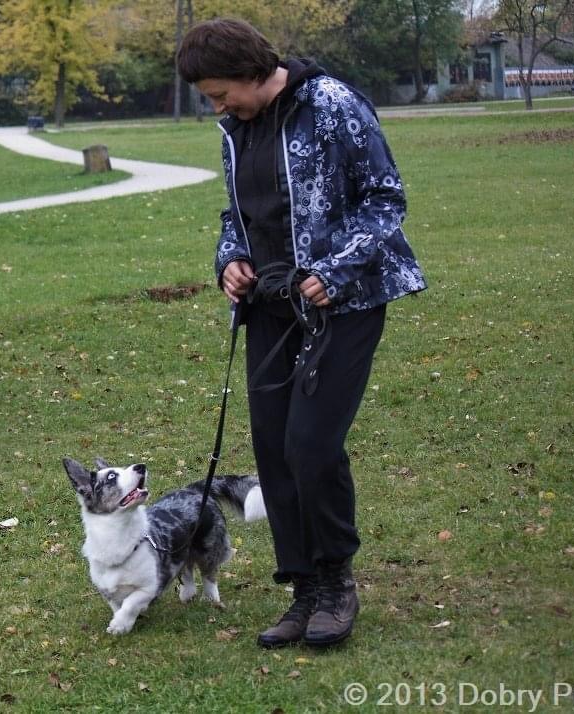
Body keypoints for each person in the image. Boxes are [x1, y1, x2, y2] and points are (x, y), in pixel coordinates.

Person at [176, 18, 426, 648]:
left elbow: (385, 199)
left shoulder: (333, 105)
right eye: (210, 98)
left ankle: (337, 582)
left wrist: (334, 272)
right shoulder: (236, 129)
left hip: (344, 304)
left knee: (311, 447)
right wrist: (230, 258)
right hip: (270, 307)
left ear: (253, 71)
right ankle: (304, 589)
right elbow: (239, 211)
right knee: (275, 451)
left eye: (220, 92)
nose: (218, 106)